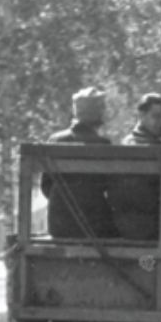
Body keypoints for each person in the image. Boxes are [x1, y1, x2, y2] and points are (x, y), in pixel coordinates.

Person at [41, 87, 118, 239]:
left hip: (58, 225)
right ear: (98, 113)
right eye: (101, 107)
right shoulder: (103, 144)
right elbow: (110, 186)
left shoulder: (55, 140)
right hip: (94, 226)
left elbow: (46, 186)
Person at [108, 93, 161, 239]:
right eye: (156, 116)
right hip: (141, 226)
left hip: (140, 223)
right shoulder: (137, 147)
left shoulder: (152, 144)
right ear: (141, 116)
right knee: (147, 262)